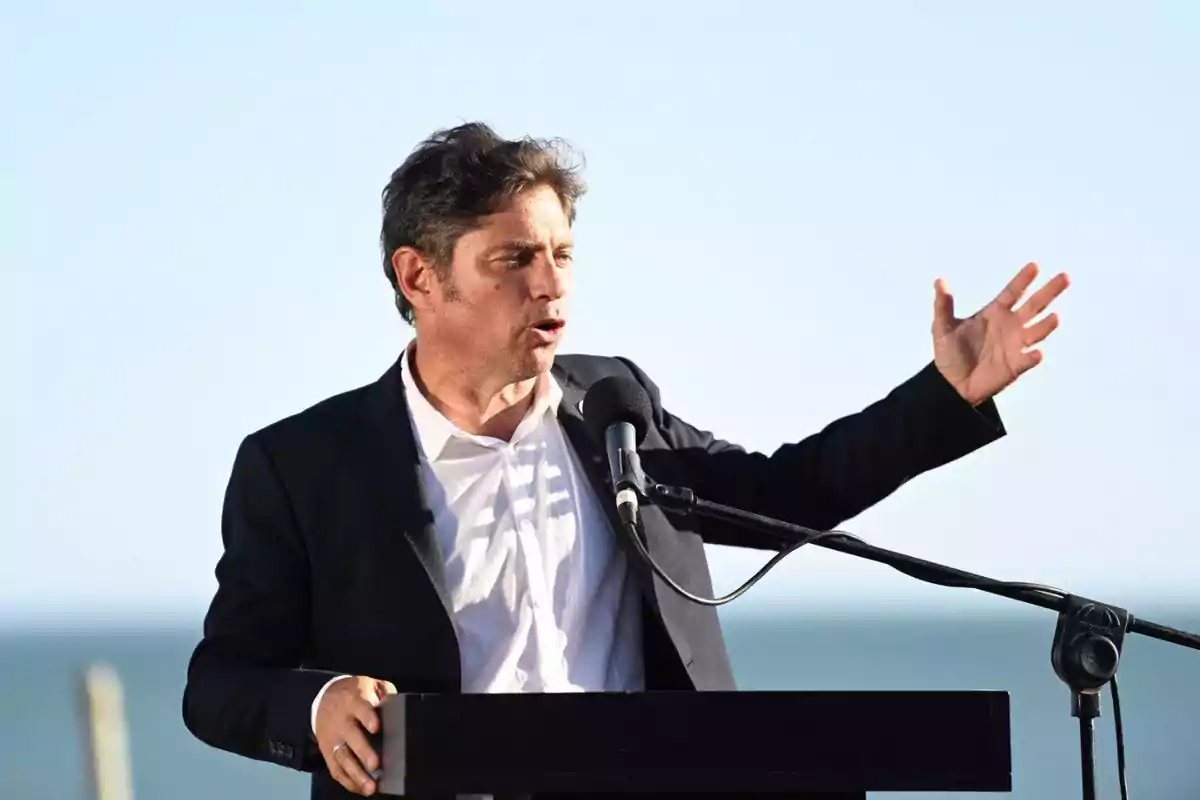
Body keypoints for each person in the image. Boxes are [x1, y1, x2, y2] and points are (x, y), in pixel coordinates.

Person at [181, 122, 1069, 799]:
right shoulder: (302, 465)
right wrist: (320, 702)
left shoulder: (614, 409)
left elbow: (788, 492)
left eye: (562, 253)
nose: (551, 284)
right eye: (513, 260)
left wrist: (943, 395)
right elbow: (218, 685)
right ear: (419, 278)